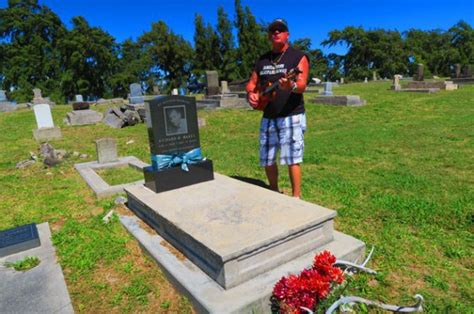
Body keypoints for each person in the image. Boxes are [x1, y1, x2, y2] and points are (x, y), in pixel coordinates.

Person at [246, 18, 309, 198]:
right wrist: (251, 94)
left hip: (291, 114)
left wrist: (292, 86)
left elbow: (302, 83)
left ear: (287, 34)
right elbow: (251, 84)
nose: (276, 33)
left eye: (280, 30)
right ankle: (273, 191)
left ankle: (296, 197)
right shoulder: (262, 60)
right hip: (268, 115)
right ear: (269, 35)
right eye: (273, 30)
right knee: (267, 158)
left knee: (292, 159)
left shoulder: (298, 57)